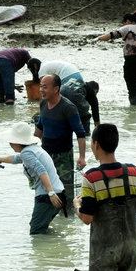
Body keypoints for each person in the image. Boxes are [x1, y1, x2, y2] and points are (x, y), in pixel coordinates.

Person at [74, 124, 136, 271]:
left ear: (95, 145)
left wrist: (76, 206)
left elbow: (87, 218)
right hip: (130, 246)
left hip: (104, 250)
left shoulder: (91, 178)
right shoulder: (134, 173)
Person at [0, 122, 65, 234]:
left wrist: (50, 193)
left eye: (11, 141)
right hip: (58, 193)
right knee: (40, 227)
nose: (10, 144)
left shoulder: (27, 153)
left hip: (48, 196)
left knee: (36, 232)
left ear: (18, 142)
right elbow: (17, 158)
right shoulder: (33, 149)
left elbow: (41, 171)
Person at [34, 74, 87, 204]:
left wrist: (82, 157)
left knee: (65, 194)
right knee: (45, 191)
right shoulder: (43, 104)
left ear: (56, 89)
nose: (41, 90)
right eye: (41, 86)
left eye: (45, 87)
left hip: (63, 157)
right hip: (45, 155)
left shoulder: (68, 108)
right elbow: (39, 128)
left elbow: (80, 134)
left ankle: (68, 219)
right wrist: (32, 149)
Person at [95, 10, 136, 105]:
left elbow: (112, 35)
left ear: (129, 20)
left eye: (125, 21)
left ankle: (134, 107)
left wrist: (99, 38)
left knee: (131, 83)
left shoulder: (126, 28)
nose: (124, 23)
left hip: (131, 60)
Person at [28, 59, 94, 131]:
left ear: (35, 66)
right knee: (77, 107)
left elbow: (43, 92)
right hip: (77, 76)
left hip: (67, 79)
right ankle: (86, 133)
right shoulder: (47, 65)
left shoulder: (41, 71)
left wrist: (42, 109)